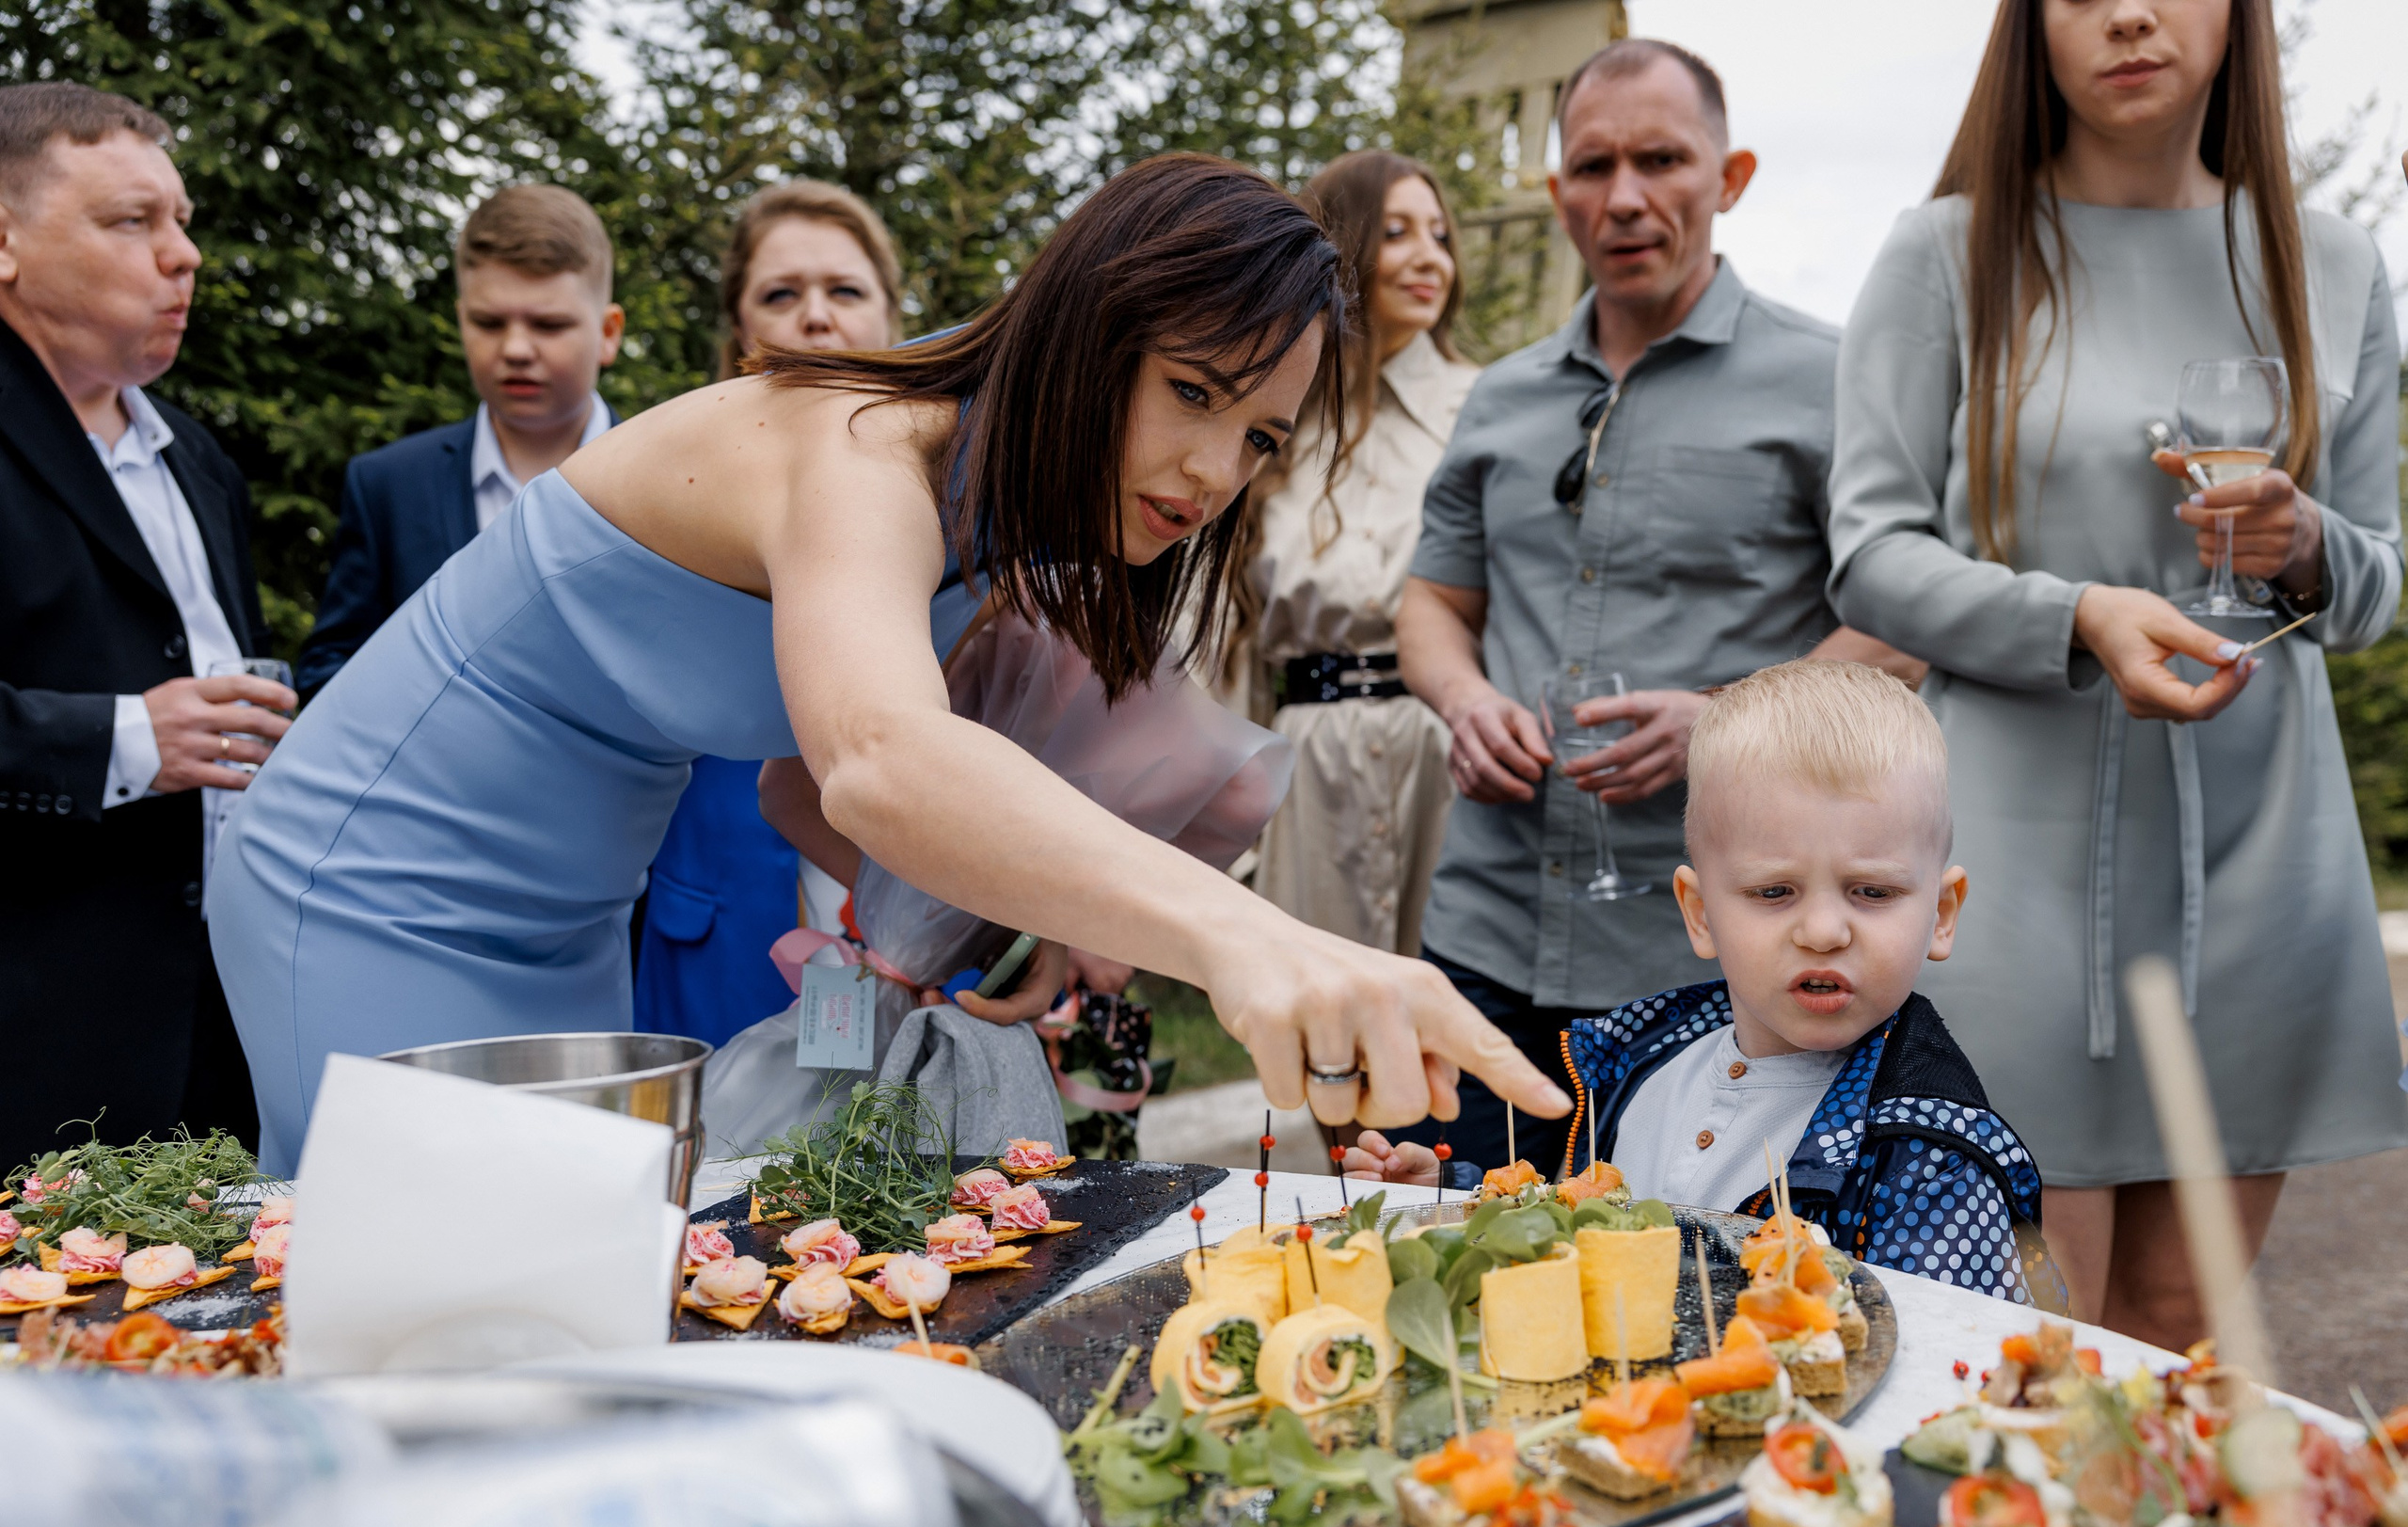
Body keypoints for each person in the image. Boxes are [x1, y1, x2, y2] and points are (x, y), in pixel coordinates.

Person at [207, 151, 1572, 1175]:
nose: (1216, 471)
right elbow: (876, 764)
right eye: (1193, 393)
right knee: (421, 1295)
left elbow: (796, 791)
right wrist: (1249, 938)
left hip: (569, 919)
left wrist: (1033, 922)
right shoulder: (862, 444)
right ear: (1087, 333)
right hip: (371, 878)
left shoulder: (1008, 508)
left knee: (549, 1288)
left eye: (1262, 437)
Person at [1825, 0, 2406, 1349]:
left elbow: (2377, 585)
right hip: (2012, 864)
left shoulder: (2334, 262)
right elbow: (1869, 557)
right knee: (2033, 1344)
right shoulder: (1944, 250)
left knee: (2186, 1333)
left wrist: (2303, 542)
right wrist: (2077, 614)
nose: (2129, 14)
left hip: (2266, 867)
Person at [1392, 39, 1912, 1175]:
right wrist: (1463, 698)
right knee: (1460, 1254)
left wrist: (1731, 720)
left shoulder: (1834, 382)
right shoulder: (1500, 396)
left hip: (1715, 959)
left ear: (1730, 178)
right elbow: (1431, 599)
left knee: (1688, 1275)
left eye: (1661, 160)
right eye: (1593, 166)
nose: (1624, 197)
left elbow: (1905, 620)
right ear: (1558, 195)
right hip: (1485, 933)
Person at [1347, 660, 2050, 1302]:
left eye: (1872, 892)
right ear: (1700, 913)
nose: (1823, 930)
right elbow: (1584, 1230)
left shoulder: (1933, 1162)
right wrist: (1459, 1198)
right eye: (1774, 892)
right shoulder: (1644, 1062)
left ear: (1941, 914)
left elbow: (1942, 1358)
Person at [0, 84, 293, 1164]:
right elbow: (152, 729)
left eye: (182, 220)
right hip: (32, 1061)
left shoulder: (197, 460)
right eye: (133, 221)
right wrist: (129, 740)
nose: (184, 255)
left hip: (218, 1047)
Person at [633, 181, 904, 1051]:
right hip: (721, 920)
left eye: (845, 290)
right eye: (782, 294)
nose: (816, 316)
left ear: (893, 317)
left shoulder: (968, 501)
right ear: (739, 332)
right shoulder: (663, 485)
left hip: (917, 909)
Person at [1220, 151, 1479, 957]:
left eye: (1440, 235)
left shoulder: (1489, 410)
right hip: (1309, 780)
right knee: (1313, 1019)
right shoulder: (1273, 419)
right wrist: (1225, 834)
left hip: (1453, 761)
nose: (1430, 257)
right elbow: (1225, 642)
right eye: (1397, 233)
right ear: (1337, 249)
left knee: (1460, 1013)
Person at [295, 185, 623, 696]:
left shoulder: (672, 484)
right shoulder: (389, 485)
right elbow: (328, 672)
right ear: (460, 318)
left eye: (548, 324)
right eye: (488, 322)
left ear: (608, 333)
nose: (516, 349)